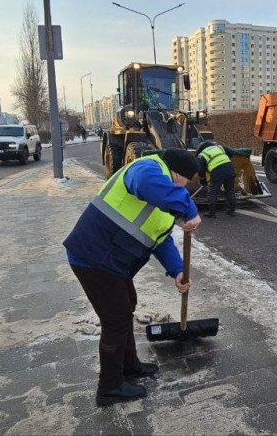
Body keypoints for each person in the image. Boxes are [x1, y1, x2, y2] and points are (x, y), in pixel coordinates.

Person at [63, 148, 202, 407]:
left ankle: (130, 365)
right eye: (186, 180)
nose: (186, 187)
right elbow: (146, 183)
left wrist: (178, 270)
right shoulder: (148, 168)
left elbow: (161, 239)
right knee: (115, 317)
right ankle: (109, 387)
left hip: (112, 261)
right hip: (92, 256)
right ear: (177, 173)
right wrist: (188, 207)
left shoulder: (163, 195)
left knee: (127, 304)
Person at [197, 141, 237, 218]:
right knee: (230, 190)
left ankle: (212, 213)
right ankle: (232, 211)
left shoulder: (202, 155)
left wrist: (203, 180)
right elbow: (231, 152)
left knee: (213, 192)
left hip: (217, 171)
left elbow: (201, 169)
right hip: (230, 169)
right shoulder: (219, 147)